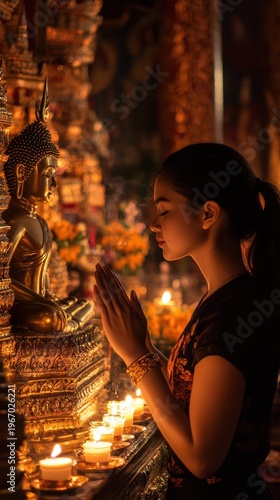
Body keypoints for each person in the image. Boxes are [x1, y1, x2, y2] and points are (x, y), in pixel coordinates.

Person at [93, 142, 280, 500]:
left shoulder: (233, 315)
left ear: (208, 214)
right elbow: (194, 392)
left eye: (164, 212)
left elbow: (202, 457)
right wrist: (144, 345)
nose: (152, 225)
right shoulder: (226, 297)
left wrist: (136, 358)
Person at [2, 80, 94, 333]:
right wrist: (40, 300)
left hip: (43, 301)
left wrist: (49, 295)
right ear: (22, 173)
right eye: (48, 174)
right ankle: (65, 323)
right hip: (23, 306)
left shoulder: (40, 221)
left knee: (85, 304)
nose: (54, 182)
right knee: (51, 317)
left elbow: (40, 278)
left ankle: (67, 321)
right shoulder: (15, 220)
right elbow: (3, 279)